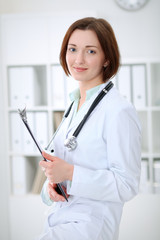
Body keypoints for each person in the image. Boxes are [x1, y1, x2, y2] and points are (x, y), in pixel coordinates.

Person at [38, 17, 141, 240]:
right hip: (61, 218)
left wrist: (70, 173)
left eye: (91, 51)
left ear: (106, 59)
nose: (79, 59)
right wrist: (52, 184)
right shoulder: (75, 105)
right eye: (72, 49)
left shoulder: (119, 110)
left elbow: (127, 185)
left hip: (90, 227)